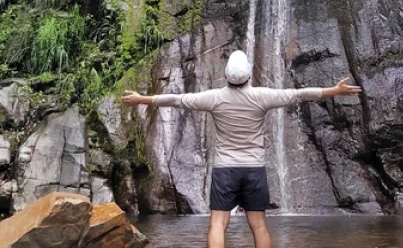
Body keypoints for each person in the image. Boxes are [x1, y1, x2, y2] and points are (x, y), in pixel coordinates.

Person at [121, 50, 362, 248]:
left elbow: (177, 99)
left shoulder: (213, 98)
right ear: (248, 75)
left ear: (226, 75)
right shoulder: (262, 96)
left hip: (225, 169)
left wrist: (142, 99)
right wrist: (334, 90)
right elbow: (299, 95)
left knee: (217, 223)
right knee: (258, 225)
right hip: (253, 169)